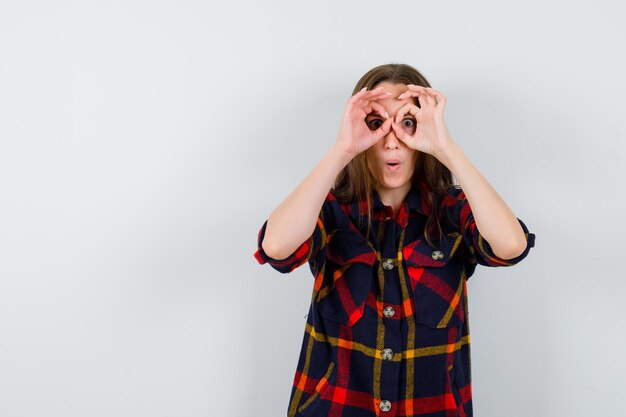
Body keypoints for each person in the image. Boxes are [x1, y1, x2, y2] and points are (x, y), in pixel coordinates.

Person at [252, 63, 536, 417]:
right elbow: (276, 248)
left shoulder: (451, 211)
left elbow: (511, 246)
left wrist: (445, 147)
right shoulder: (330, 209)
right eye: (375, 124)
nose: (391, 140)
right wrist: (343, 148)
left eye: (407, 123)